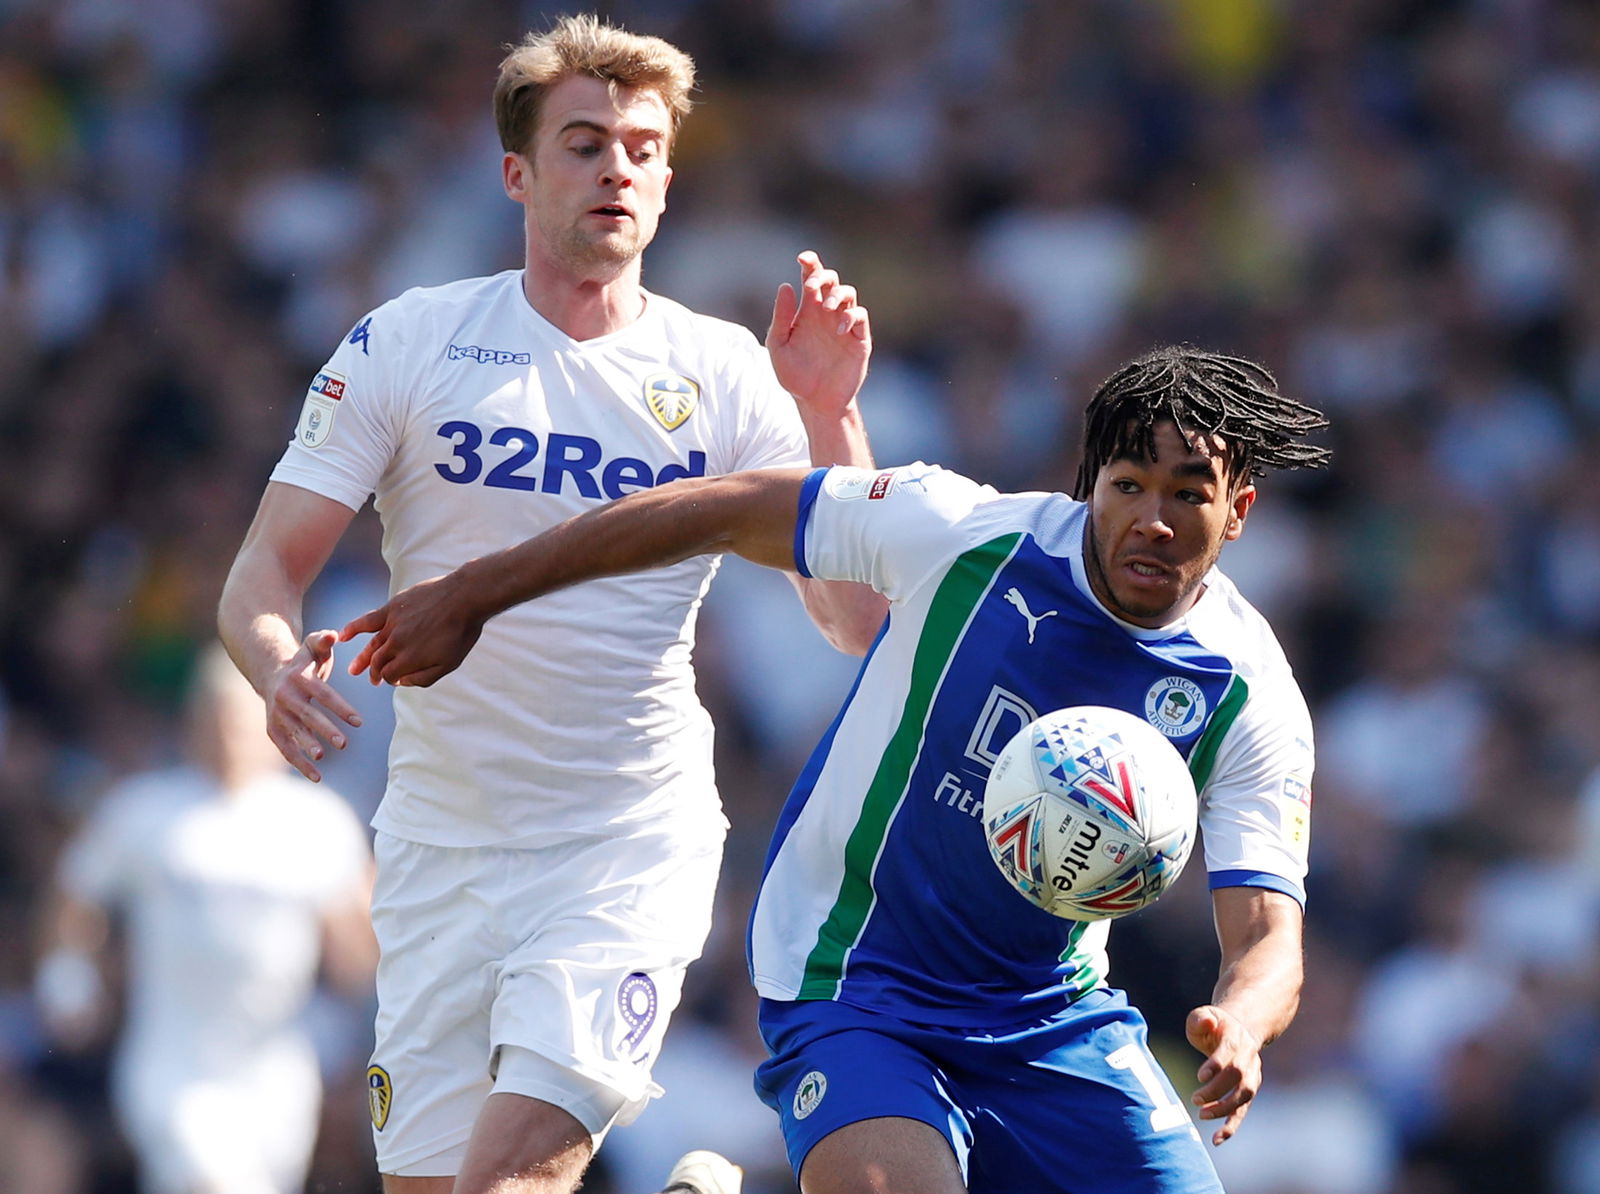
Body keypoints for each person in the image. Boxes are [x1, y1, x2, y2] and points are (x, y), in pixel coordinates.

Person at [340, 345, 1332, 1193]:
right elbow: (719, 509)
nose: (1151, 520)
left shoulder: (1247, 694)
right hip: (858, 980)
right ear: (1092, 485)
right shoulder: (967, 538)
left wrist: (1240, 1024)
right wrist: (478, 589)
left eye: (1187, 495)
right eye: (1128, 487)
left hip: (1052, 1019)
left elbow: (1267, 933)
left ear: (1236, 510)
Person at [216, 13, 883, 1194]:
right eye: (584, 142)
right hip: (436, 843)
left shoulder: (724, 372)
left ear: (668, 183)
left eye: (640, 146)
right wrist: (274, 666)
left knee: (510, 1181)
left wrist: (829, 418)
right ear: (517, 172)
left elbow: (852, 622)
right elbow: (264, 573)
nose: (616, 166)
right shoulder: (410, 342)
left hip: (621, 843)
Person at [35, 644, 376, 1194]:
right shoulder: (143, 810)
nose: (225, 736)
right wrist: (67, 973)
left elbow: (358, 963)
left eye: (238, 720)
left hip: (277, 1073)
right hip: (171, 1062)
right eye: (211, 718)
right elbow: (76, 896)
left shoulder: (318, 823)